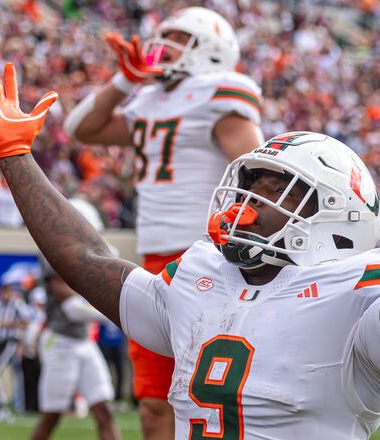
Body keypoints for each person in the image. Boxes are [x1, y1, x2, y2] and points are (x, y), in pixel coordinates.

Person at [0, 25, 380, 438]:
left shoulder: (357, 294)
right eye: (250, 183)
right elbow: (86, 257)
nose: (249, 199)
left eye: (277, 189)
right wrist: (16, 155)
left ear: (336, 213)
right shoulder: (199, 275)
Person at [62, 7, 264, 438]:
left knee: (211, 395)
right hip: (155, 261)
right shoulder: (149, 98)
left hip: (208, 259)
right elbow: (80, 128)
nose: (163, 43)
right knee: (153, 400)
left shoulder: (218, 92)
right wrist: (125, 80)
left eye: (178, 37)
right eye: (164, 34)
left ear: (212, 49)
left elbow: (256, 173)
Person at [30, 199, 121, 440]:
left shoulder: (86, 254)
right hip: (60, 342)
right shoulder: (56, 254)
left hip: (83, 341)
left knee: (105, 410)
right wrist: (115, 313)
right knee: (52, 416)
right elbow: (72, 308)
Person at [0, 282, 29, 422]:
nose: (4, 295)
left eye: (7, 292)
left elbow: (26, 322)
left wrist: (10, 324)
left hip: (10, 342)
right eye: (2, 292)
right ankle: (0, 407)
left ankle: (3, 407)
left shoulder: (17, 304)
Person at [97, 320, 129, 411]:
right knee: (103, 373)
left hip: (119, 344)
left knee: (121, 372)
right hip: (104, 344)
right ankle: (105, 399)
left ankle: (119, 399)